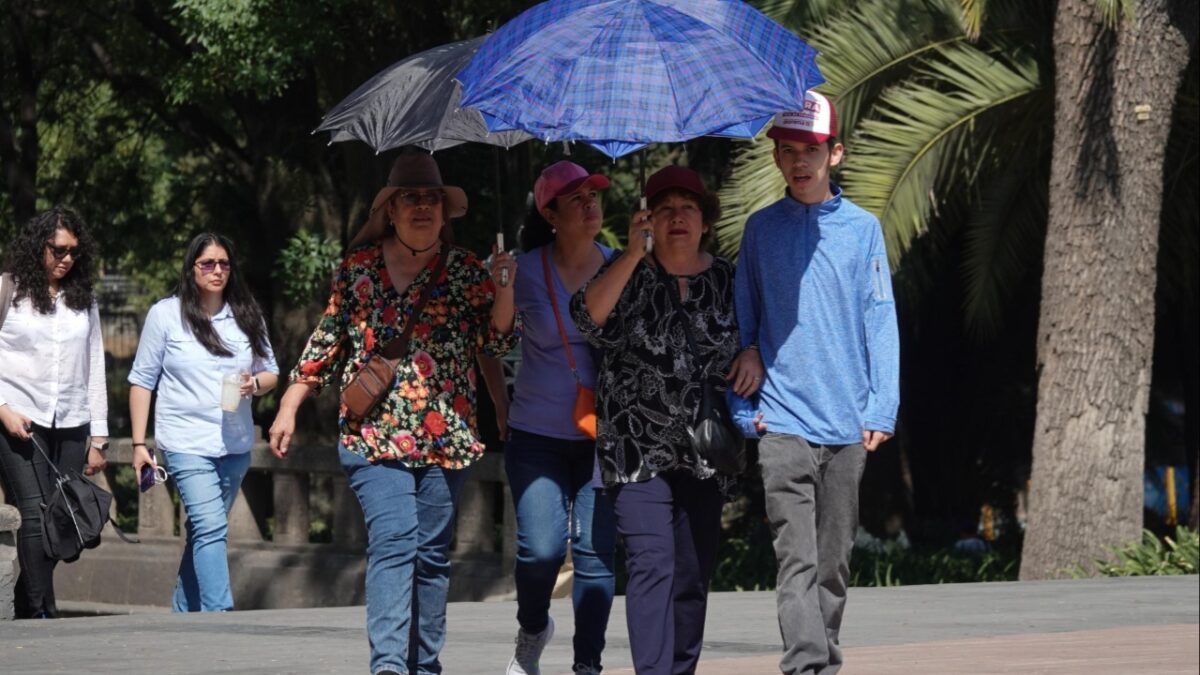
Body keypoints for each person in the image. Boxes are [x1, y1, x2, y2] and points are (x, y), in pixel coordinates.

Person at [268, 153, 518, 675]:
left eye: (432, 198)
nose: (423, 207)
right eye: (411, 198)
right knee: (396, 539)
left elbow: (495, 339)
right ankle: (388, 667)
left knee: (431, 556)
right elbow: (325, 344)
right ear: (391, 209)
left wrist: (505, 289)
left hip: (447, 437)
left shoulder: (469, 272)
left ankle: (423, 666)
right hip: (373, 436)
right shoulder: (358, 271)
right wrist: (289, 405)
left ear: (445, 211)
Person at [732, 91, 900, 675]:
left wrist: (883, 406)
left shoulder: (863, 230)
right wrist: (739, 407)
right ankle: (806, 665)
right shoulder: (759, 231)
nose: (799, 161)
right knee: (795, 558)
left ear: (836, 153)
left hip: (849, 423)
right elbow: (742, 324)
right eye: (787, 150)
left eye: (811, 149)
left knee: (833, 562)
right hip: (781, 421)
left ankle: (823, 656)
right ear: (776, 158)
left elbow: (880, 317)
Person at [570, 166, 758, 675]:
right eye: (665, 208)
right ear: (647, 218)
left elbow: (762, 333)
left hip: (707, 450)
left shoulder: (728, 279)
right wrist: (633, 252)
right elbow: (586, 318)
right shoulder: (627, 273)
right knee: (652, 564)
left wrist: (755, 353)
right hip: (636, 450)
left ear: (705, 220)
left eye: (688, 208)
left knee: (692, 576)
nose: (678, 218)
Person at [500, 161, 617, 675]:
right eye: (576, 200)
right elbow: (497, 335)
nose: (590, 205)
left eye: (594, 196)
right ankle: (532, 628)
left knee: (594, 555)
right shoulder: (524, 269)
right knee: (541, 550)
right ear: (550, 213)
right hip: (536, 433)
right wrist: (501, 285)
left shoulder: (622, 264)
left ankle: (587, 664)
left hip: (603, 433)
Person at [128, 232, 279, 613]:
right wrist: (138, 444)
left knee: (202, 531)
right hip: (184, 442)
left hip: (234, 446)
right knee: (211, 526)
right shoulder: (166, 315)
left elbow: (271, 372)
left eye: (224, 263)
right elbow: (142, 381)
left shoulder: (246, 314)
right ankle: (220, 615)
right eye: (207, 263)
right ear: (192, 268)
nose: (217, 270)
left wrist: (254, 384)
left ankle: (182, 614)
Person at [0, 207, 108, 619]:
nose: (66, 258)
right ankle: (42, 610)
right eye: (57, 249)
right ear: (37, 246)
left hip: (71, 421)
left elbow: (94, 365)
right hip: (18, 420)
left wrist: (98, 438)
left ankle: (30, 595)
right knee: (34, 511)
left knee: (62, 516)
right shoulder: (9, 291)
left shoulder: (84, 300)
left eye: (74, 252)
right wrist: (3, 409)